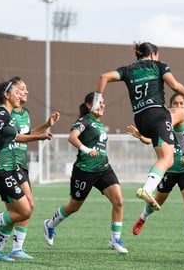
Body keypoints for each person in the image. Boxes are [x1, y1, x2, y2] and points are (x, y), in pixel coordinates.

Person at [91, 42, 184, 210]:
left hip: (141, 119)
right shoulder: (158, 66)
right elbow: (175, 86)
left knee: (177, 121)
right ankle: (148, 188)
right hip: (157, 116)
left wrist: (96, 103)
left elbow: (104, 77)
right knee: (167, 158)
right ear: (153, 54)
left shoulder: (127, 70)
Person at [0, 77, 52, 262]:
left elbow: (17, 137)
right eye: (17, 92)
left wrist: (42, 137)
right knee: (24, 211)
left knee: (18, 212)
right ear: (6, 95)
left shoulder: (7, 115)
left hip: (11, 168)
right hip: (1, 170)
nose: (21, 95)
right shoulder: (1, 113)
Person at [43, 92, 128, 254]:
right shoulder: (85, 120)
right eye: (99, 102)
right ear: (89, 105)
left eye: (104, 102)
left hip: (103, 168)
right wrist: (86, 149)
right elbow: (72, 137)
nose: (103, 105)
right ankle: (49, 224)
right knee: (74, 207)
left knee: (119, 201)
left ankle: (115, 239)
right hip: (85, 171)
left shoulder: (99, 124)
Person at [128, 93, 184, 251]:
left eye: (182, 103)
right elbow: (151, 140)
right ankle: (142, 218)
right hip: (169, 171)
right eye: (176, 103)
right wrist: (141, 137)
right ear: (170, 106)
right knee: (157, 203)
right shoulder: (166, 126)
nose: (179, 106)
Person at [7, 77, 60, 259]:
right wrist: (41, 137)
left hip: (22, 164)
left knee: (20, 209)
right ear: (12, 91)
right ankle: (13, 246)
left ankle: (8, 247)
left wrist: (46, 126)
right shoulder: (7, 112)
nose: (27, 92)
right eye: (22, 89)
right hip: (10, 163)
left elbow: (27, 135)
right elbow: (16, 137)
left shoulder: (25, 112)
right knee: (27, 206)